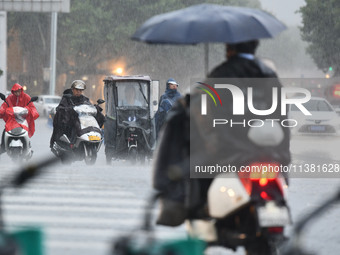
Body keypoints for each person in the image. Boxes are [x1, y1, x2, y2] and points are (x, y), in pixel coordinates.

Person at [152, 40, 291, 226]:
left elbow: (203, 105)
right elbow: (282, 115)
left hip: (230, 147)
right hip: (271, 150)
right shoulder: (269, 75)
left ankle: (194, 206)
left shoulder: (222, 73)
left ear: (229, 49)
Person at [50, 80, 104, 150]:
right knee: (69, 124)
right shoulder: (67, 98)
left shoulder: (84, 99)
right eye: (77, 90)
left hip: (82, 120)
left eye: (81, 90)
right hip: (71, 120)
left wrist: (95, 107)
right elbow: (61, 108)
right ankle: (67, 143)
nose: (79, 92)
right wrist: (68, 110)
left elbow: (88, 106)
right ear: (73, 89)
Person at [0, 83, 39, 153]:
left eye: (18, 91)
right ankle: (3, 146)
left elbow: (32, 107)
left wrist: (33, 113)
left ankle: (28, 145)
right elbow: (4, 106)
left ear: (21, 90)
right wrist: (1, 111)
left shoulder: (26, 97)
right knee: (5, 130)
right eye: (15, 91)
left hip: (23, 120)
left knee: (26, 132)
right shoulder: (9, 98)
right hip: (11, 121)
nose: (17, 93)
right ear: (13, 91)